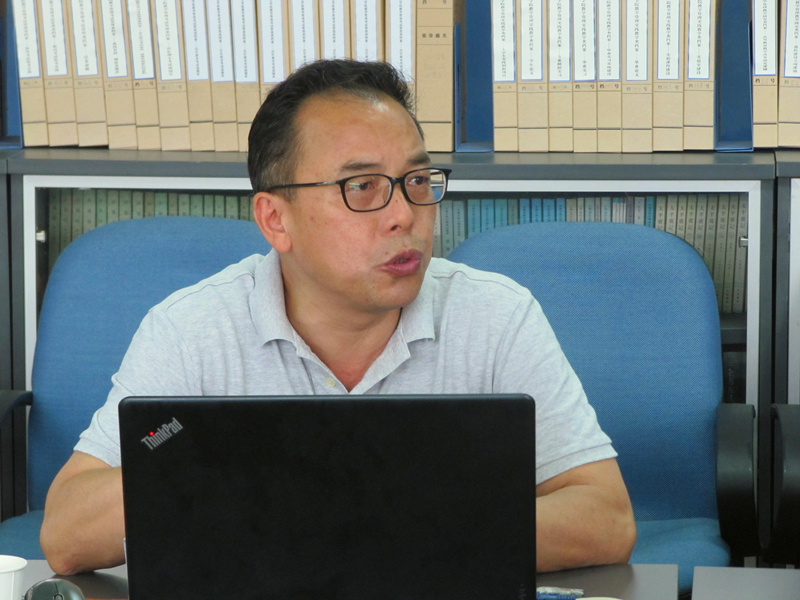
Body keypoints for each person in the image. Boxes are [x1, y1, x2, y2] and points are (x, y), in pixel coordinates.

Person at [40, 59, 636, 575]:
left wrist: (368, 522)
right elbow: (66, 534)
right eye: (363, 187)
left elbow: (605, 519)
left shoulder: (495, 315)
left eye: (417, 180)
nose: (405, 215)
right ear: (276, 220)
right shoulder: (193, 330)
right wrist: (243, 472)